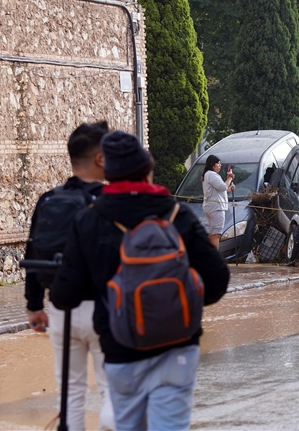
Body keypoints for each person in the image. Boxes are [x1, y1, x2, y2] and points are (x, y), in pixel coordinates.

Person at [50, 131, 230, 430]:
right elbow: (218, 280)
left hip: (121, 349)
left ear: (108, 173)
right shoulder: (177, 216)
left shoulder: (89, 220)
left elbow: (64, 295)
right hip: (178, 347)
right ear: (148, 168)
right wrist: (178, 302)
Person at [23, 121, 114, 431]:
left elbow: (33, 252)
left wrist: (34, 305)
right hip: (105, 308)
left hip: (61, 310)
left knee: (70, 395)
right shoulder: (112, 202)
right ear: (101, 159)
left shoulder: (49, 199)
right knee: (112, 391)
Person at [201, 154, 235, 249]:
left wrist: (229, 189)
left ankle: (210, 257)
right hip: (216, 208)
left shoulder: (208, 174)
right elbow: (223, 186)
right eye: (218, 163)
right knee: (216, 234)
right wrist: (230, 177)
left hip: (211, 207)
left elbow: (220, 190)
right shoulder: (212, 174)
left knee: (212, 234)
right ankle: (214, 259)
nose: (220, 165)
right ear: (212, 164)